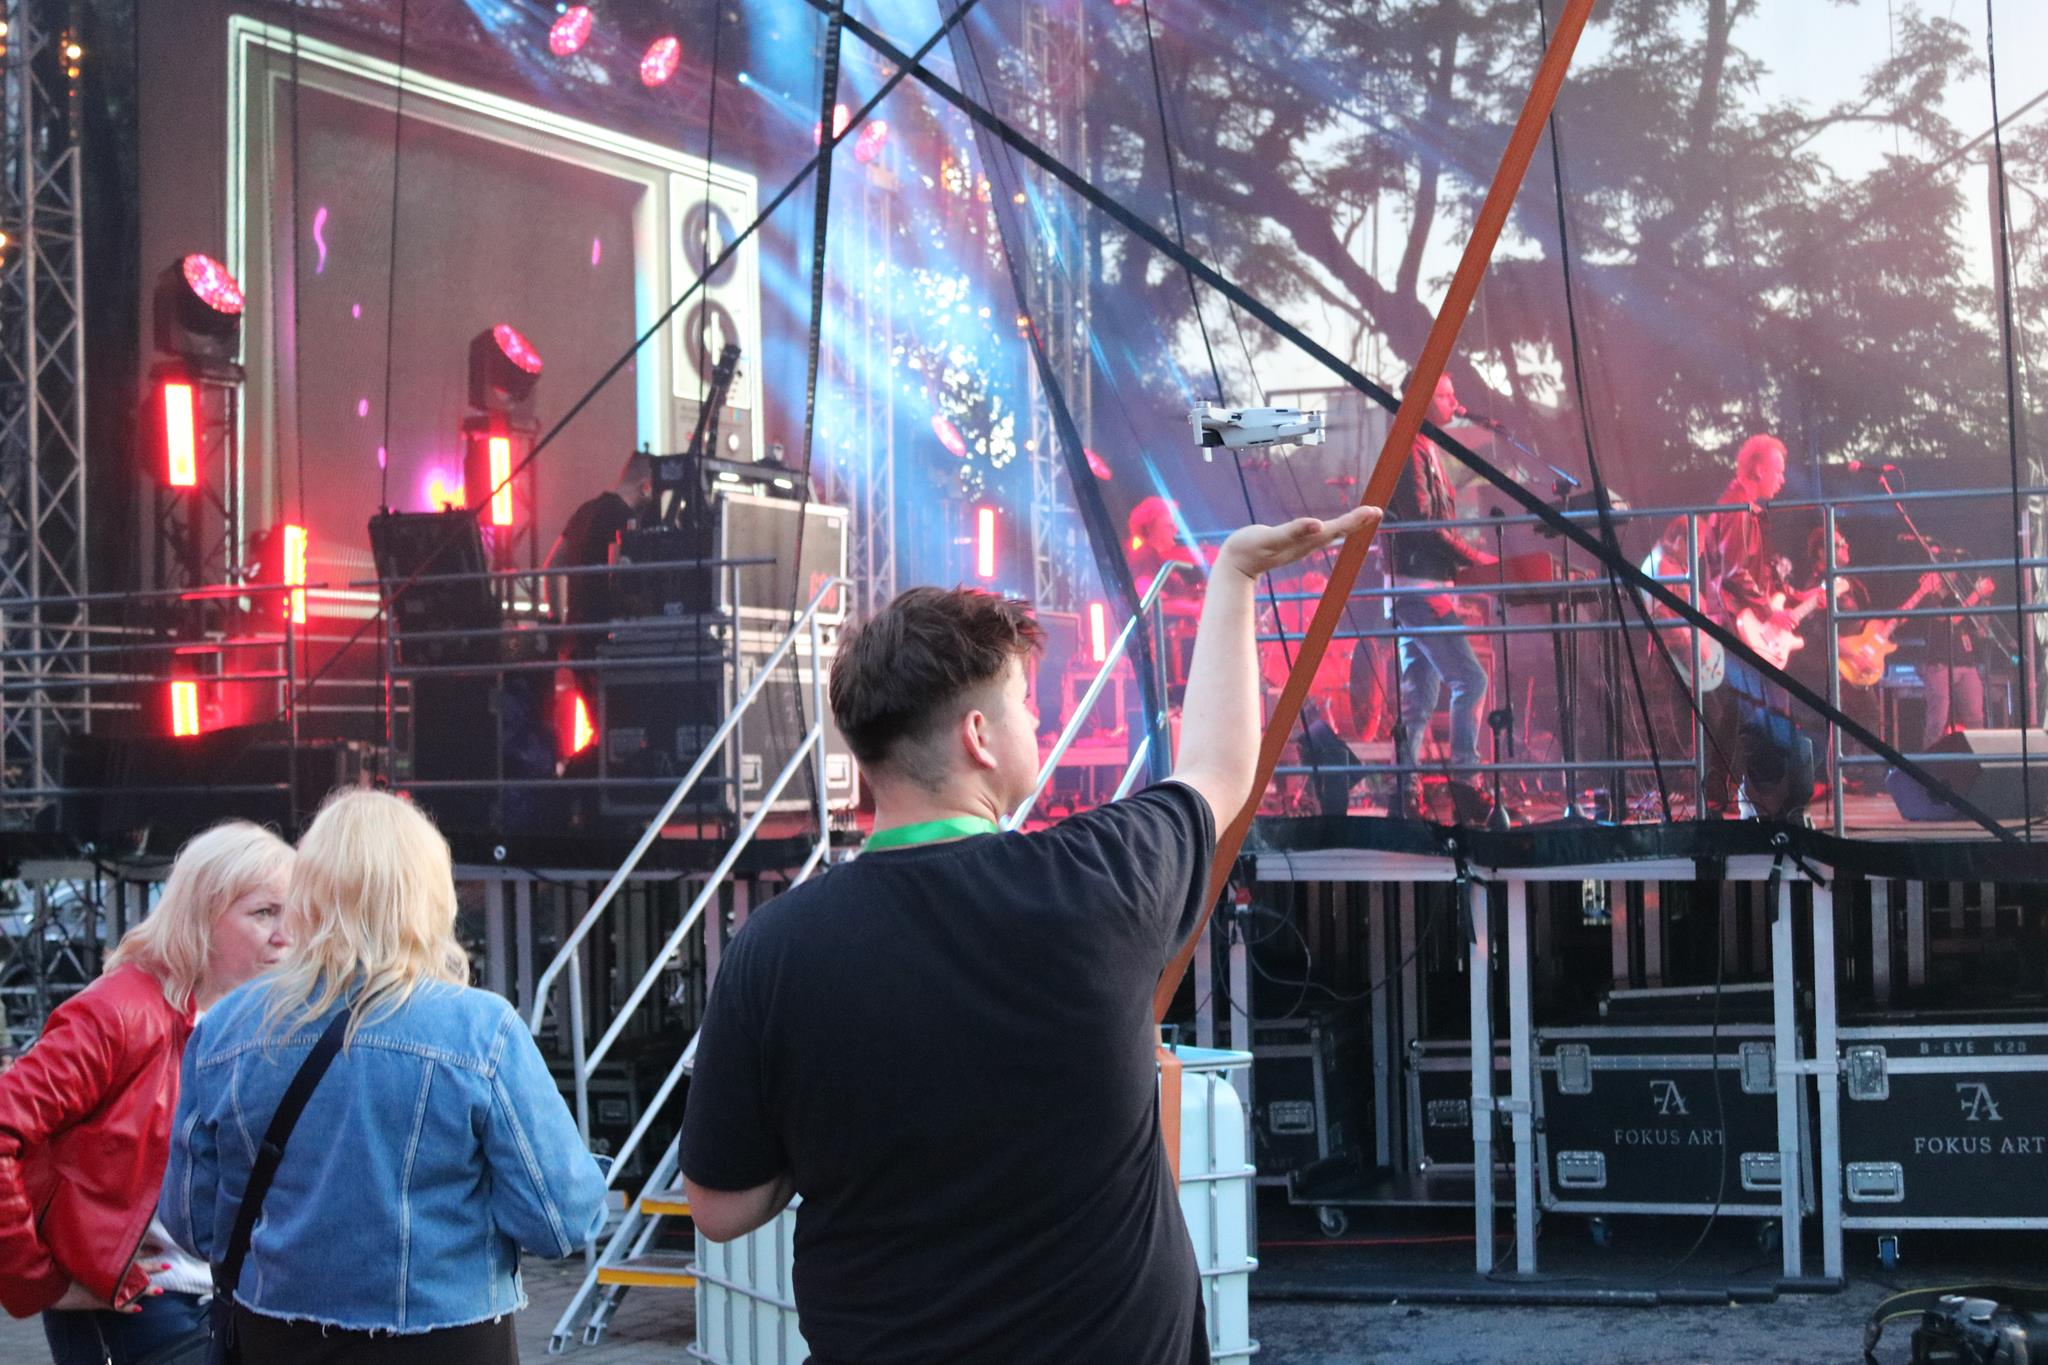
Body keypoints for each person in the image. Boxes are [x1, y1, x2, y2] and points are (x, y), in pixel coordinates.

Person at [679, 505, 1379, 1364]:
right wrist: (1233, 575)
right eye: (1023, 704)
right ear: (977, 736)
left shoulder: (775, 948)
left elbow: (719, 1207)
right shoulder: (1098, 882)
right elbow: (1220, 770)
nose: (1039, 722)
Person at [163, 789, 607, 1364]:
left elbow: (192, 1223)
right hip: (445, 1337)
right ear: (428, 895)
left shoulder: (227, 1027)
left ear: (307, 894)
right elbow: (561, 1221)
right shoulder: (480, 1030)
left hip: (276, 1334)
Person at [0, 821, 294, 1365]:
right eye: (264, 913)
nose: (286, 935)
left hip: (226, 1299)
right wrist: (39, 1283)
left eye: (294, 914)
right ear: (201, 916)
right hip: (141, 1308)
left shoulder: (257, 1020)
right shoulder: (120, 1011)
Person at [1384, 372, 1496, 812]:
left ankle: (1405, 792)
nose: (1455, 401)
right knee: (1471, 679)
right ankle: (1466, 781)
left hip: (1418, 586)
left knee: (1419, 699)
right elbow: (1423, 524)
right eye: (1446, 394)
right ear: (1423, 399)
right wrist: (1473, 557)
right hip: (1418, 588)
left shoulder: (1424, 446)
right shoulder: (1409, 449)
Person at [1698, 434, 1817, 819]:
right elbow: (1735, 573)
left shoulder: (1747, 508)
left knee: (1741, 711)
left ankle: (1726, 796)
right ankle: (1764, 803)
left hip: (1740, 620)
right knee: (1765, 709)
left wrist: (1796, 595)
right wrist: (1769, 610)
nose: (1782, 479)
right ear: (1759, 468)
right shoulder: (1737, 507)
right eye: (1778, 471)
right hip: (1739, 623)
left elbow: (1755, 574)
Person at [1796, 526, 1879, 792]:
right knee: (1834, 724)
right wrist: (1850, 651)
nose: (1846, 546)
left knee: (1866, 717)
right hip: (1828, 667)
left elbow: (1858, 624)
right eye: (1840, 543)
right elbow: (1816, 630)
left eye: (1844, 542)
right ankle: (1832, 779)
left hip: (1850, 665)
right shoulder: (1817, 587)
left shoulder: (1849, 583)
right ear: (1822, 552)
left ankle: (1863, 778)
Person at [548, 451, 653, 655]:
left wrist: (558, 623)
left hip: (577, 638)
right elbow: (619, 581)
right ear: (646, 487)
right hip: (605, 641)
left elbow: (552, 566)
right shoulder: (627, 520)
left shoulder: (584, 510)